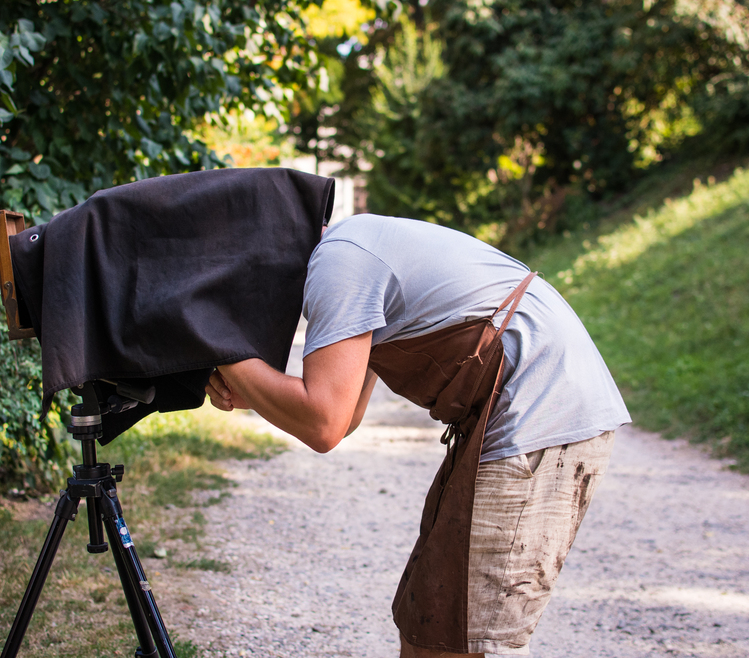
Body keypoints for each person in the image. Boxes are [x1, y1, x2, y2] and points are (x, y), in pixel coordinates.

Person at [204, 213, 630, 657]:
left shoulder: (339, 265)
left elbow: (324, 424)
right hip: (521, 410)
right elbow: (343, 414)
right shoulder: (354, 248)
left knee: (455, 637)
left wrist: (221, 348)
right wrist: (259, 392)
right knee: (432, 623)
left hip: (539, 410)